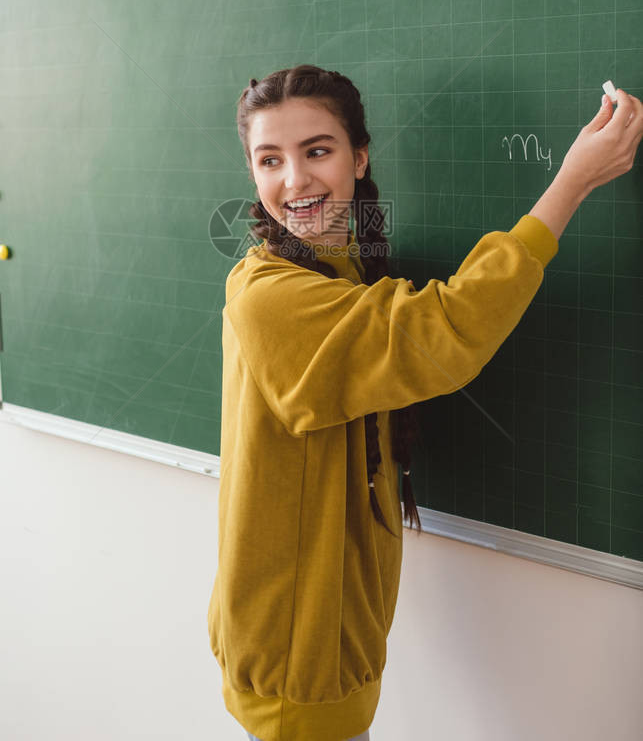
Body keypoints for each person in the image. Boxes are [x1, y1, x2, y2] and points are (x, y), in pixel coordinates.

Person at [207, 64, 642, 741]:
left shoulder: (342, 268)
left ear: (359, 155)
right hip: (298, 657)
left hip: (328, 639)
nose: (292, 180)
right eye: (269, 159)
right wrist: (571, 182)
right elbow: (441, 331)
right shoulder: (270, 295)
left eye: (316, 150)